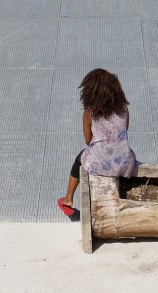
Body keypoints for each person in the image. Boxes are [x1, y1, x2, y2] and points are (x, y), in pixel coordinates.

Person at [58, 68, 136, 217]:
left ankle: (68, 198)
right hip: (125, 162)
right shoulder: (124, 109)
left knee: (80, 158)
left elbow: (88, 141)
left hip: (99, 163)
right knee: (122, 153)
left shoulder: (89, 114)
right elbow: (123, 132)